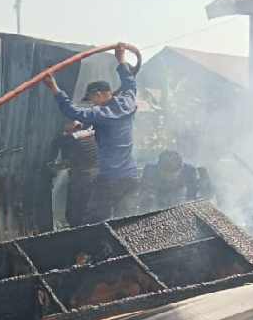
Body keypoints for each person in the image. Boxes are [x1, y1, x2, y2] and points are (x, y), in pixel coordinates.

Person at [44, 46, 140, 221]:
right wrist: (121, 59)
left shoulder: (101, 114)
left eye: (92, 99)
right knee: (126, 222)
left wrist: (54, 88)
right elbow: (130, 82)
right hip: (130, 178)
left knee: (94, 222)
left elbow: (73, 112)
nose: (92, 104)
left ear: (99, 94)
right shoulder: (128, 101)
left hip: (110, 179)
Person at [49, 120, 100, 227]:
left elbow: (59, 142)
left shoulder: (73, 139)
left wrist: (53, 167)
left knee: (76, 212)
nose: (64, 131)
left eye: (67, 129)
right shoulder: (92, 134)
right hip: (93, 176)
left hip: (82, 178)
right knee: (85, 210)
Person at [140, 148, 214, 209]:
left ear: (181, 169)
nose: (169, 178)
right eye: (165, 173)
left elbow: (194, 198)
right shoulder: (150, 171)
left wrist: (205, 183)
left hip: (180, 198)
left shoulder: (190, 172)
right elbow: (143, 199)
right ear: (158, 167)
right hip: (158, 195)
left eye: (172, 174)